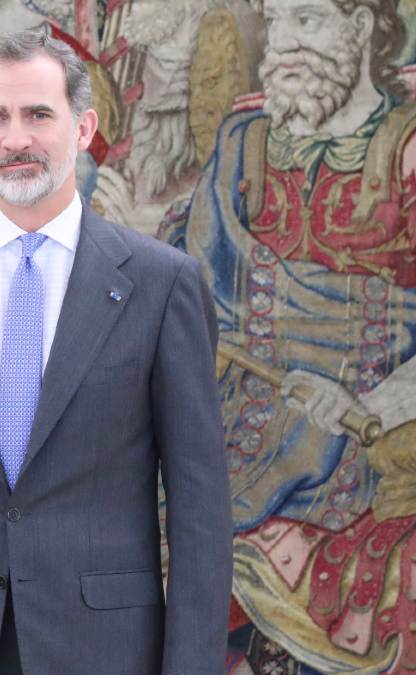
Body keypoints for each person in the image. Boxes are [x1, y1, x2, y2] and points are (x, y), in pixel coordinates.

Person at [0, 30, 232, 674]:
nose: (16, 139)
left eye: (38, 115)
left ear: (82, 129)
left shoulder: (163, 285)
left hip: (106, 651)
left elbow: (200, 512)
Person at [164, 0, 416, 670]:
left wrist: (374, 406)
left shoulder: (410, 148)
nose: (285, 44)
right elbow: (194, 297)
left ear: (362, 28)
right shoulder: (245, 140)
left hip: (373, 444)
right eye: (277, 23)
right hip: (237, 424)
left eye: (307, 20)